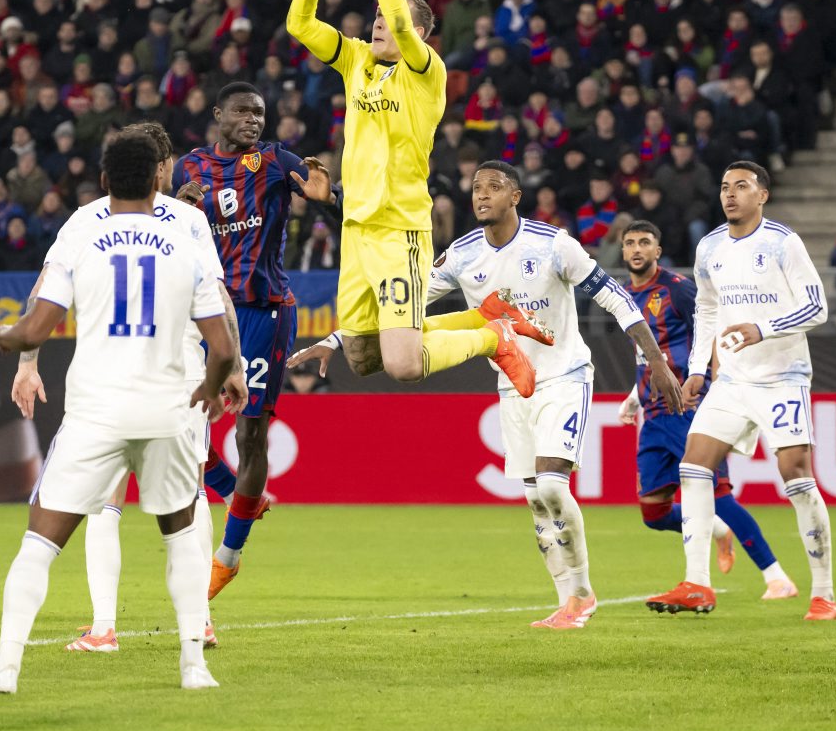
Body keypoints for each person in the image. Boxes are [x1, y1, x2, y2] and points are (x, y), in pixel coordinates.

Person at [288, 161, 684, 629]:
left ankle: (581, 594)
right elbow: (405, 310)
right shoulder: (462, 254)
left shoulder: (553, 244)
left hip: (563, 375)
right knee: (536, 500)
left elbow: (615, 296)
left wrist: (656, 361)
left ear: (515, 196)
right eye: (477, 187)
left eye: (494, 187)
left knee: (552, 486)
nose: (481, 195)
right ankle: (568, 602)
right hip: (512, 386)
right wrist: (336, 339)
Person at [0, 130, 239, 695]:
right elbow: (222, 344)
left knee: (40, 542)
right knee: (182, 531)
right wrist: (213, 386)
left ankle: (6, 667)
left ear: (105, 179)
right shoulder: (186, 240)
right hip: (168, 407)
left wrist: (6, 337)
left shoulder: (81, 231)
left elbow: (35, 328)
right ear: (159, 178)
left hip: (97, 412)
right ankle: (194, 666)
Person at [286, 0, 547, 399]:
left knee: (404, 365)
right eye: (378, 16)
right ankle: (487, 314)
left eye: (393, 18)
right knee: (363, 358)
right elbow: (299, 24)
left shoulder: (427, 72)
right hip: (356, 227)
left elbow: (403, 26)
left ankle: (493, 337)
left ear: (421, 34)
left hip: (398, 229)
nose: (381, 23)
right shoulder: (355, 59)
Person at [647, 161, 836, 621]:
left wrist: (762, 328)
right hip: (731, 380)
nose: (730, 194)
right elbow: (707, 311)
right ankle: (697, 583)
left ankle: (823, 594)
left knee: (796, 476)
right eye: (725, 186)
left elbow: (817, 307)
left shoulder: (782, 242)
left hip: (782, 376)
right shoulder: (710, 246)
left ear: (762, 195)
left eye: (742, 186)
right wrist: (697, 370)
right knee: (694, 465)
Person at [172, 81, 339, 598]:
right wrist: (176, 208)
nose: (253, 120)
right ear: (218, 114)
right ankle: (233, 492)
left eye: (259, 113)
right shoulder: (189, 168)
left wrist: (328, 198)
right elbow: (167, 232)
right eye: (243, 112)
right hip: (205, 313)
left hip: (264, 311)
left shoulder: (274, 160)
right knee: (177, 422)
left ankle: (228, 556)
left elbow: (333, 206)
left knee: (249, 435)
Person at [619, 220, 798, 599]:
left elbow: (711, 330)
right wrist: (635, 395)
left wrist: (709, 384)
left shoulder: (677, 289)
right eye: (630, 243)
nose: (637, 249)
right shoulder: (625, 296)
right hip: (653, 414)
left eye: (645, 242)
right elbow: (647, 354)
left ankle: (777, 577)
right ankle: (718, 529)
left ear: (657, 251)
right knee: (653, 512)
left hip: (688, 408)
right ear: (622, 251)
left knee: (718, 494)